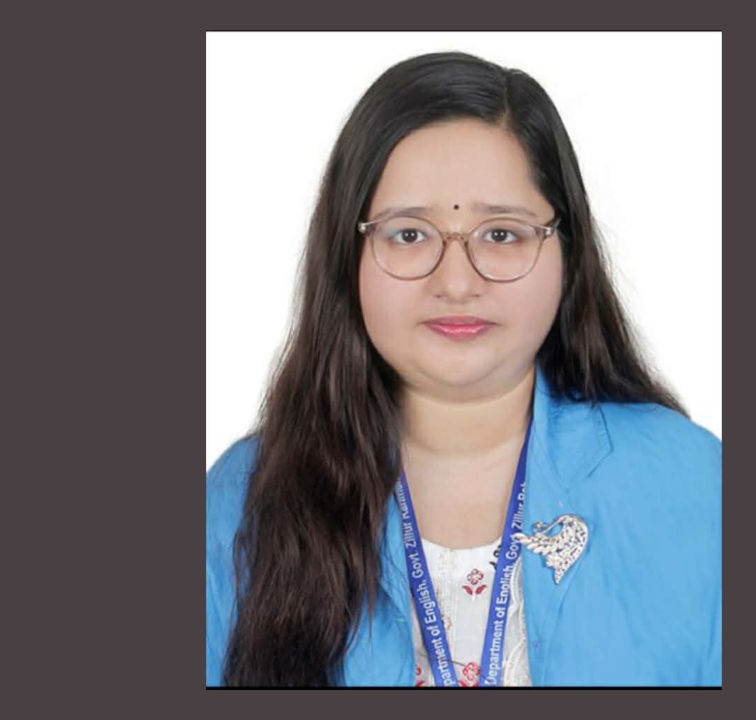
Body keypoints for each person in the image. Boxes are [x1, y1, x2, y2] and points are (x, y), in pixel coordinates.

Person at [206, 50, 721, 687]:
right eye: (408, 234)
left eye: (501, 234)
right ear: (347, 254)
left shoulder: (695, 484)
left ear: (567, 252)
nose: (456, 282)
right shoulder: (240, 500)